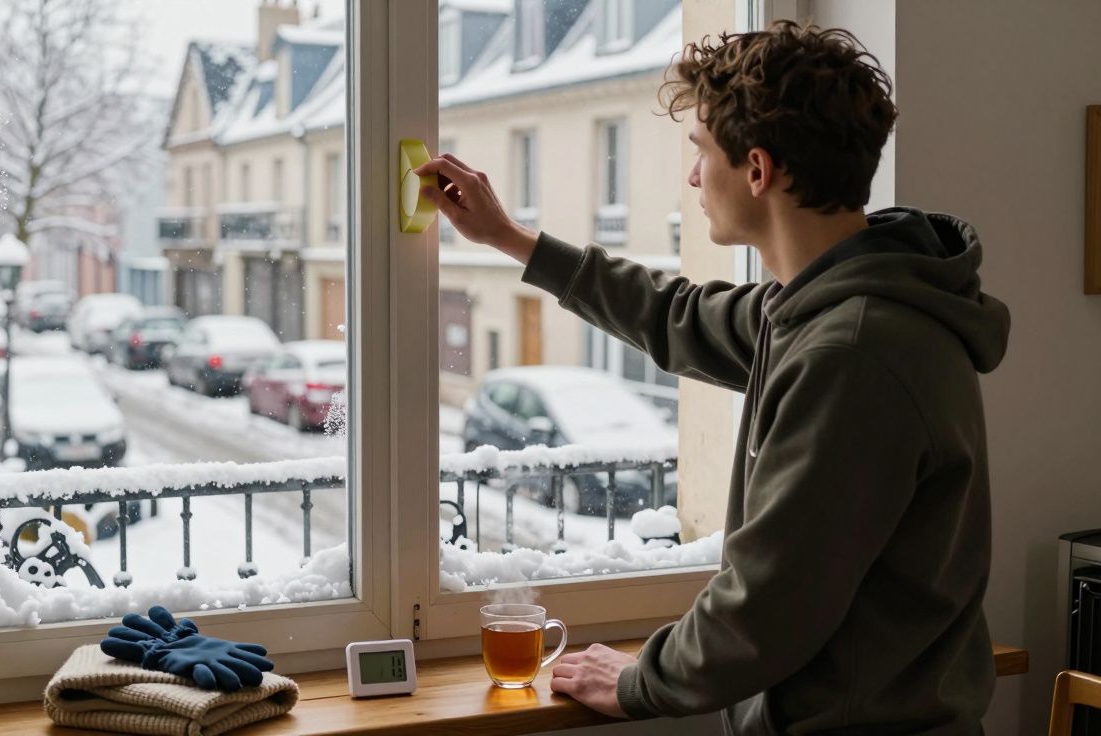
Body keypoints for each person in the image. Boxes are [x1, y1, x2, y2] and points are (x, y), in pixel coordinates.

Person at [416, 20, 1009, 735]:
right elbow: (676, 317)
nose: (694, 176)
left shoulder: (853, 351)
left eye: (701, 152)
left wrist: (641, 682)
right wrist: (511, 239)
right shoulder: (827, 309)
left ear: (758, 170)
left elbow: (770, 605)